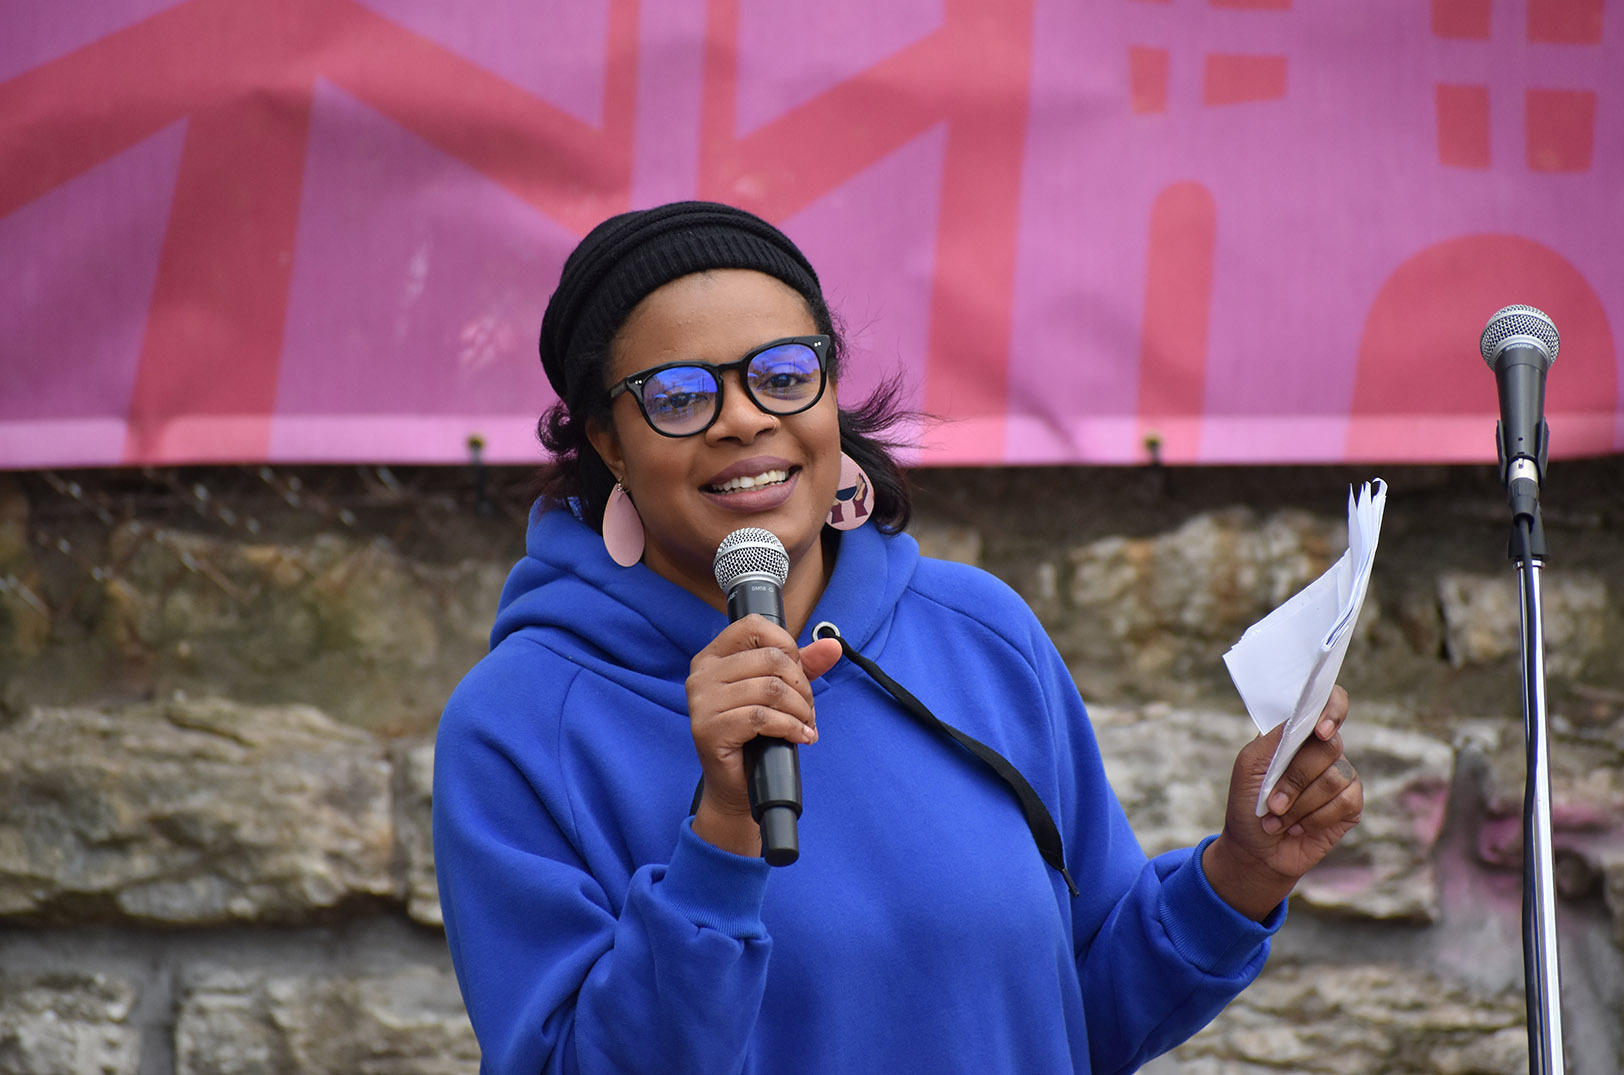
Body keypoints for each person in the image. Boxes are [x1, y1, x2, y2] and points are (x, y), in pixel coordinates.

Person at [432, 201, 1363, 1075]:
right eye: (677, 396)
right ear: (606, 440)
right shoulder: (516, 725)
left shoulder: (981, 631)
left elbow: (1080, 1013)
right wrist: (721, 839)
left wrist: (1241, 872)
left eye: (785, 374)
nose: (746, 418)